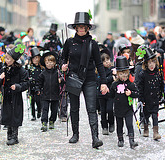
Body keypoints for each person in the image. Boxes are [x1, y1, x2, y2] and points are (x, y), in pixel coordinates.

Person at [61, 12, 108, 148]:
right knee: (74, 108)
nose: (81, 29)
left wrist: (104, 82)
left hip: (89, 79)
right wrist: (63, 66)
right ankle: (75, 134)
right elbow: (63, 58)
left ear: (88, 28)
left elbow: (99, 64)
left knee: (92, 108)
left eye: (84, 27)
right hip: (73, 77)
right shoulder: (69, 42)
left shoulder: (92, 44)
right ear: (75, 28)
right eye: (79, 27)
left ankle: (95, 137)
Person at [0, 44, 29, 145]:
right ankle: (9, 134)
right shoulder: (4, 69)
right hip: (6, 96)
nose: (6, 60)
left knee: (15, 114)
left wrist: (18, 87)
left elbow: (26, 83)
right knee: (7, 114)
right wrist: (0, 78)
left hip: (16, 97)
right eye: (6, 58)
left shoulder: (21, 70)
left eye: (9, 59)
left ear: (14, 60)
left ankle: (14, 135)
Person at [109, 56, 139, 148]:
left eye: (126, 74)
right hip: (118, 108)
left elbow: (137, 93)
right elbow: (111, 95)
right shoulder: (114, 84)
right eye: (121, 74)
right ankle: (120, 139)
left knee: (129, 124)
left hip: (128, 109)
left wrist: (131, 93)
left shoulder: (131, 84)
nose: (124, 76)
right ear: (117, 74)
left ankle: (131, 140)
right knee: (119, 125)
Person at [138, 48, 163, 140]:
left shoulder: (158, 73)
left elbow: (160, 85)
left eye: (153, 62)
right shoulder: (143, 74)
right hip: (146, 98)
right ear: (146, 64)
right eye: (149, 62)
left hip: (155, 97)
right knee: (146, 114)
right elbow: (140, 87)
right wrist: (141, 99)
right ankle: (146, 129)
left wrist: (161, 96)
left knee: (155, 115)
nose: (151, 64)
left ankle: (156, 132)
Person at [36, 51, 62, 131]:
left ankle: (52, 121)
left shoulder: (57, 73)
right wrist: (38, 89)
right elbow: (39, 83)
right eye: (47, 62)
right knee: (45, 109)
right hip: (45, 95)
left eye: (51, 62)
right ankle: (44, 122)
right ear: (45, 63)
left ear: (54, 63)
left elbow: (63, 82)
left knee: (54, 110)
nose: (49, 64)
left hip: (55, 95)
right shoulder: (43, 73)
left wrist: (61, 80)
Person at [98, 52, 115, 135]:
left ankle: (111, 123)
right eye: (104, 61)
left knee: (110, 109)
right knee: (103, 110)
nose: (107, 62)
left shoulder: (112, 69)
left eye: (108, 60)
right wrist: (111, 78)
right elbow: (101, 80)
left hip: (110, 93)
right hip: (101, 94)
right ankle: (104, 126)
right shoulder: (99, 71)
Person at [27, 47, 43, 121]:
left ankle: (39, 110)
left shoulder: (41, 68)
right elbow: (27, 76)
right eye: (34, 58)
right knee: (32, 101)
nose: (36, 59)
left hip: (39, 87)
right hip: (31, 86)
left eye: (37, 58)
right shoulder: (30, 67)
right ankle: (33, 115)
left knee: (38, 100)